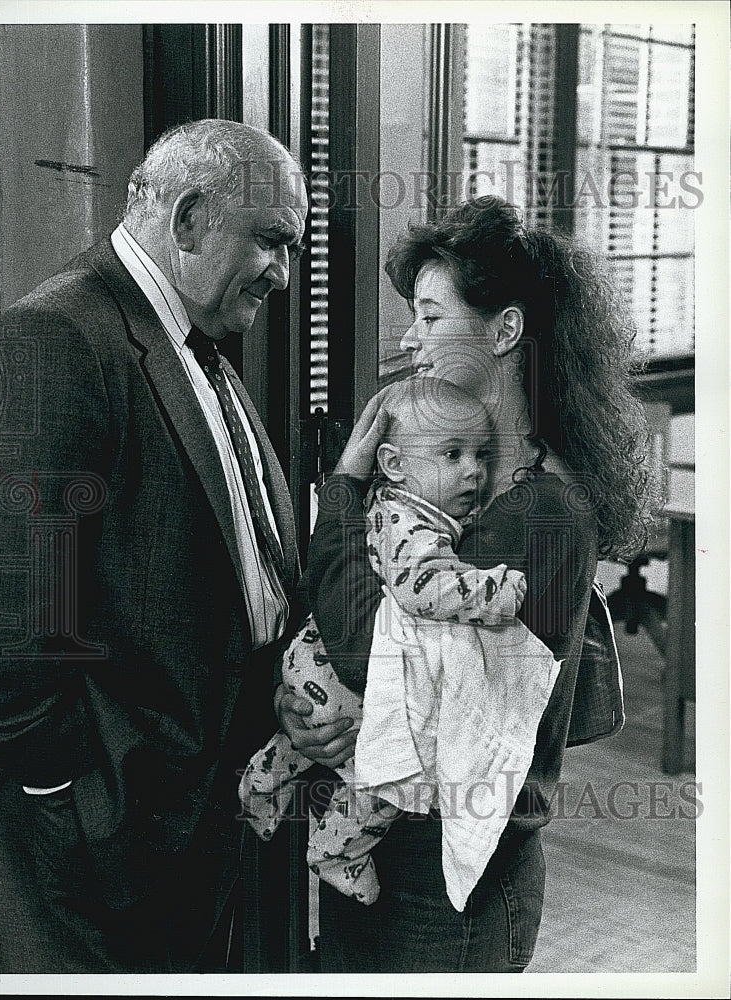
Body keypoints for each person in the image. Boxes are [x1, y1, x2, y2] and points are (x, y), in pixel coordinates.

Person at [275, 196, 651, 972]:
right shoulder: (473, 487)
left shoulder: (539, 511)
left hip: (454, 890)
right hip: (402, 854)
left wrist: (344, 488)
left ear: (504, 331)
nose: (410, 340)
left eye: (430, 316)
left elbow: (370, 656)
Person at [0, 119, 308, 973]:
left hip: (202, 809)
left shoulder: (199, 345)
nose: (284, 271)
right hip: (115, 826)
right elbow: (23, 623)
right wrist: (69, 800)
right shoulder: (57, 335)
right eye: (272, 241)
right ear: (192, 220)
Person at [240, 377, 559, 912]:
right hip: (335, 671)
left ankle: (261, 785)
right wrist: (490, 590)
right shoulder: (408, 522)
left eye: (480, 456)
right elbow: (420, 587)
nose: (472, 471)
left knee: (315, 738)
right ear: (393, 464)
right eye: (451, 454)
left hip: (312, 664)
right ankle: (335, 852)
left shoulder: (393, 507)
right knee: (390, 772)